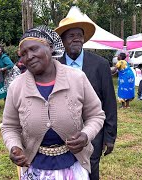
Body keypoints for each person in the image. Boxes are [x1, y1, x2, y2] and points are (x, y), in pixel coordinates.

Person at [2, 25, 105, 179]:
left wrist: (86, 135)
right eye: (23, 54)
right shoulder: (16, 86)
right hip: (35, 167)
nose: (29, 56)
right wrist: (14, 147)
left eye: (34, 49)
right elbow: (9, 126)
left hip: (74, 164)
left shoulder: (77, 78)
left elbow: (96, 115)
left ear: (50, 47)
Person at [55, 17, 117, 180]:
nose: (76, 39)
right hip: (62, 136)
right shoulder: (54, 65)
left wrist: (110, 136)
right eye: (71, 35)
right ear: (62, 41)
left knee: (90, 171)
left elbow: (109, 102)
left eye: (79, 35)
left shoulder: (100, 64)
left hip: (93, 133)